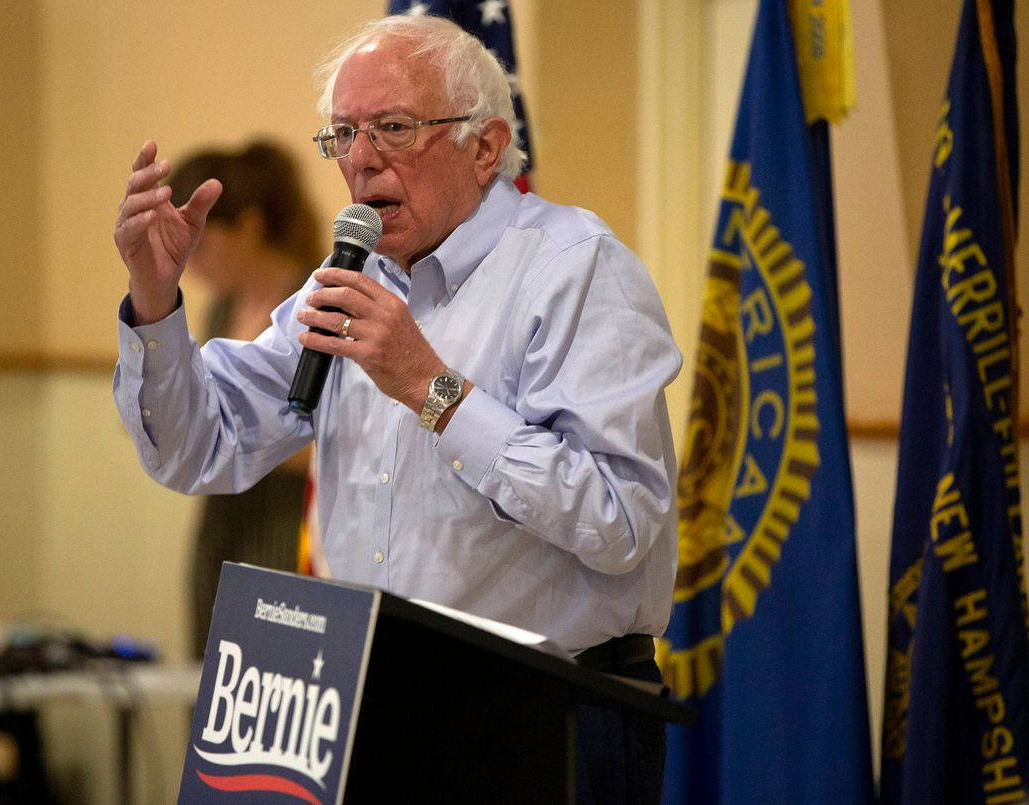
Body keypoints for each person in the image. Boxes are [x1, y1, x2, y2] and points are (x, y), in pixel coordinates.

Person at [112, 14, 680, 805]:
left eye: (394, 127)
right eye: (342, 134)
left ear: (485, 146)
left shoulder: (576, 271)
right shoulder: (346, 278)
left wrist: (432, 388)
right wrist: (154, 297)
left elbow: (621, 521)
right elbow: (198, 447)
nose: (362, 158)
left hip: (543, 719)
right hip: (366, 703)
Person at [165, 143, 319, 657]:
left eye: (202, 248)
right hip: (223, 526)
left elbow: (344, 433)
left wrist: (244, 436)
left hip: (289, 527)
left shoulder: (317, 300)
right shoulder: (220, 310)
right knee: (211, 687)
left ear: (249, 229)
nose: (192, 267)